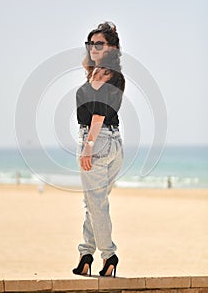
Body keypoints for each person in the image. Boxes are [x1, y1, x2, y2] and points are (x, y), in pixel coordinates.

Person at [73, 22, 125, 277]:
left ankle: (109, 255)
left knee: (96, 205)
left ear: (112, 47)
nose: (94, 48)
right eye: (91, 44)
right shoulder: (107, 74)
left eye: (100, 44)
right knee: (94, 204)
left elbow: (97, 113)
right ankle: (85, 254)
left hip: (97, 141)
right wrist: (96, 50)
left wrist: (88, 147)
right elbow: (86, 61)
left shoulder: (105, 76)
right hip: (114, 144)